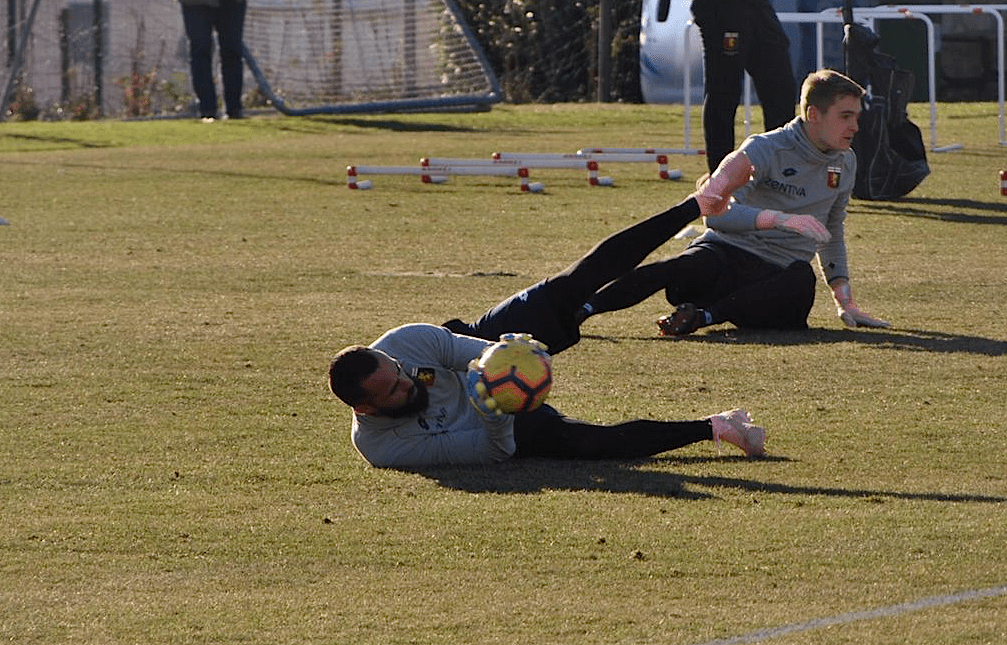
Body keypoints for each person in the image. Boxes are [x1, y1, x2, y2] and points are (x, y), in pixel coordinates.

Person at [328, 155, 767, 468]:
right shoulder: (385, 449)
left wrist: (503, 363)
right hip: (495, 427)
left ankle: (699, 203)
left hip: (485, 355)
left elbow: (477, 351)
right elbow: (494, 451)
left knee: (569, 284)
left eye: (399, 372)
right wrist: (496, 405)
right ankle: (716, 426)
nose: (407, 381)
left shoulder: (406, 344)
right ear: (366, 409)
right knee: (590, 445)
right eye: (393, 390)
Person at [580, 69, 889, 339]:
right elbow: (714, 215)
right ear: (813, 115)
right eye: (845, 116)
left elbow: (831, 232)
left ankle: (701, 317)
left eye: (856, 117)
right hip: (724, 257)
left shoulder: (846, 163)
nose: (855, 127)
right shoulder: (764, 148)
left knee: (800, 279)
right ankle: (582, 309)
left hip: (773, 281)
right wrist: (778, 219)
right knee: (681, 265)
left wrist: (845, 302)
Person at [691, 0, 798, 173]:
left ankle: (779, 173)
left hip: (759, 8)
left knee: (781, 90)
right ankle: (721, 177)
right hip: (721, 10)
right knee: (724, 92)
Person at [180, 0, 247, 121]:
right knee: (200, 52)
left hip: (232, 4)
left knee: (232, 51)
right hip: (195, 4)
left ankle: (234, 109)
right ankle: (207, 110)